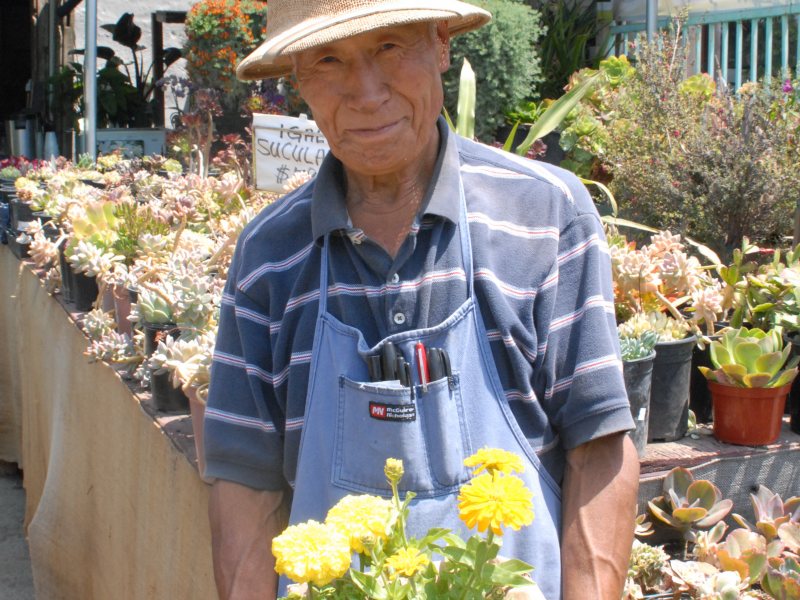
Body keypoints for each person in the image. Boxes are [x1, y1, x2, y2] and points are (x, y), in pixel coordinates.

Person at [204, 1, 640, 599]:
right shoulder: (270, 254)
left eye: (389, 47)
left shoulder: (544, 216)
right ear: (298, 79)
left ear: (440, 45)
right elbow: (243, 482)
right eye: (328, 60)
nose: (364, 91)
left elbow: (599, 444)